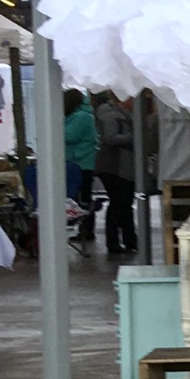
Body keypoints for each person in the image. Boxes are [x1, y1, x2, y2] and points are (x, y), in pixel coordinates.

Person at [93, 93, 138, 257]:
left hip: (119, 166)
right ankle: (116, 241)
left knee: (123, 203)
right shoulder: (112, 115)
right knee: (120, 203)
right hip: (116, 166)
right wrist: (134, 137)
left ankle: (129, 240)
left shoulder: (119, 114)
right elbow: (110, 138)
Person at [62, 88, 98, 253]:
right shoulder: (78, 116)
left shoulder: (81, 117)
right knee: (80, 197)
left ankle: (87, 230)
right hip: (78, 161)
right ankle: (84, 229)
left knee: (82, 198)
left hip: (81, 163)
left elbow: (68, 135)